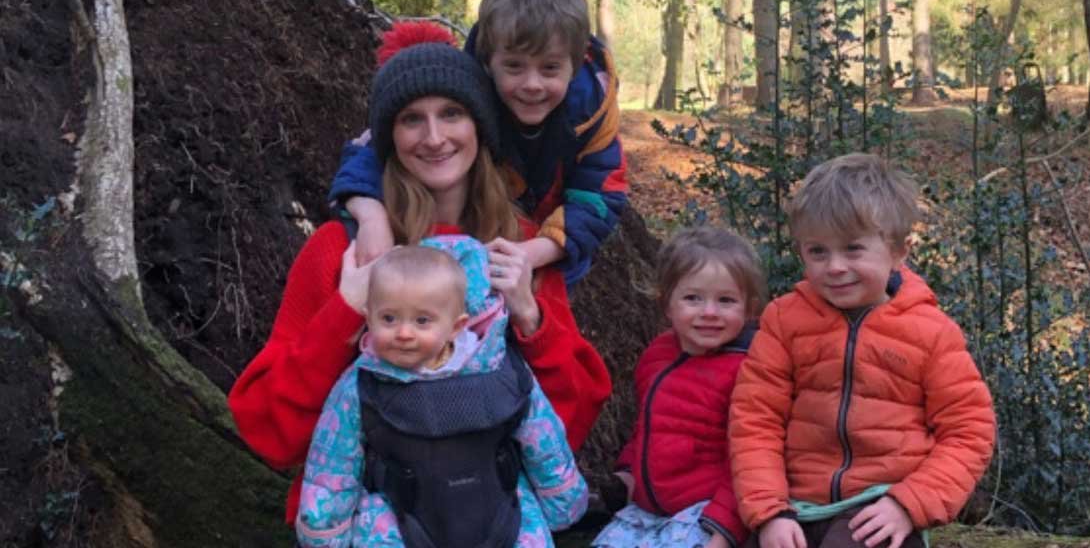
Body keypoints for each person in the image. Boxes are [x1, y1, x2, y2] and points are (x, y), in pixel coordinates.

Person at [227, 35, 611, 526]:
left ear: (481, 127)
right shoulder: (342, 250)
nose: (434, 137)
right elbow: (270, 435)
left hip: (489, 525)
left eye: (452, 113)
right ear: (389, 136)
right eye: (411, 118)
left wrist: (530, 319)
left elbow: (567, 427)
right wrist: (345, 311)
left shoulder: (520, 248)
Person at [729, 153, 996, 548]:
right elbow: (755, 419)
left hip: (879, 505)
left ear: (899, 252)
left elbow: (969, 430)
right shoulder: (784, 321)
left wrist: (910, 503)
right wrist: (768, 510)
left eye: (853, 249)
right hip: (796, 505)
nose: (834, 266)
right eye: (817, 251)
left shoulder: (931, 332)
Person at [328, 0, 627, 287]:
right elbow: (372, 152)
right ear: (488, 61)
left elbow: (599, 197)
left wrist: (535, 252)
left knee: (537, 321)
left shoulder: (592, 116)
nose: (532, 84)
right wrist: (371, 216)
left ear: (576, 62)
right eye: (514, 66)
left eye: (550, 68)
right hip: (473, 237)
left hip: (546, 252)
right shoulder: (463, 89)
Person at [295, 239, 586, 547]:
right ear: (368, 317)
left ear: (456, 326)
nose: (404, 333)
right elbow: (333, 462)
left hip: (500, 509)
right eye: (389, 318)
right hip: (399, 516)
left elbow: (542, 436)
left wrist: (562, 498)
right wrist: (324, 530)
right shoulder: (363, 384)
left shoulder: (499, 368)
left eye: (422, 320)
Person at [590, 226, 767, 548]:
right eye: (693, 298)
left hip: (705, 509)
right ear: (667, 303)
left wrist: (724, 530)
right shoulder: (658, 354)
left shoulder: (747, 369)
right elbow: (646, 425)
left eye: (726, 300)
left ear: (749, 308)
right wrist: (628, 473)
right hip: (646, 507)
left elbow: (747, 460)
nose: (709, 312)